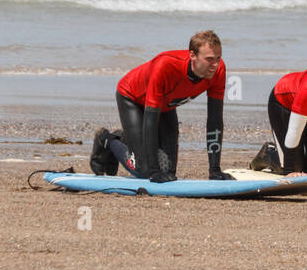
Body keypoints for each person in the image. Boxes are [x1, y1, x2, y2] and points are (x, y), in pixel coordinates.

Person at [91, 31, 229, 182]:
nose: (215, 65)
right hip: (132, 98)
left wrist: (214, 170)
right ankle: (108, 140)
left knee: (168, 171)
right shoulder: (166, 65)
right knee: (144, 170)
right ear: (192, 55)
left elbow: (215, 120)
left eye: (218, 58)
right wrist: (153, 171)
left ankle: (129, 140)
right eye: (209, 59)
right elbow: (150, 120)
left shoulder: (218, 70)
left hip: (165, 106)